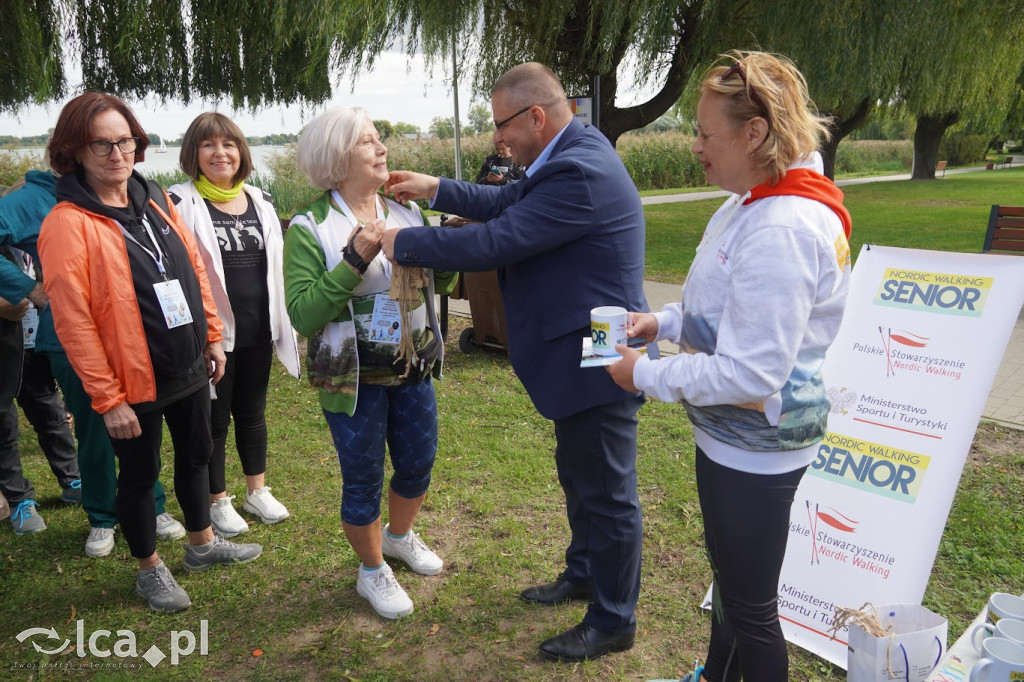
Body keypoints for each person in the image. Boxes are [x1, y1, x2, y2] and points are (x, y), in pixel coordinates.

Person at [382, 62, 652, 662]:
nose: (497, 138)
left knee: (607, 487)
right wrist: (436, 189)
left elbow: (497, 239)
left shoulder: (577, 168)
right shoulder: (565, 152)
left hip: (600, 345)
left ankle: (614, 619)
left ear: (536, 115)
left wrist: (401, 241)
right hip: (581, 338)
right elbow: (506, 201)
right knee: (579, 470)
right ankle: (584, 573)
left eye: (502, 124)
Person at [607, 51, 852, 682]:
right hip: (732, 439)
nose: (694, 146)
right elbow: (721, 307)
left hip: (757, 447)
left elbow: (751, 374)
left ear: (756, 133)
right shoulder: (752, 203)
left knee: (751, 608)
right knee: (732, 586)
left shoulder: (781, 227)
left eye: (706, 134)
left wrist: (647, 375)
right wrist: (661, 324)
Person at [39, 92, 262, 612]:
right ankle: (148, 569)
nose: (118, 154)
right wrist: (107, 397)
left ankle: (202, 545)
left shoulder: (155, 197)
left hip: (184, 360)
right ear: (74, 150)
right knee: (139, 476)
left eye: (127, 141)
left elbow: (195, 269)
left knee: (198, 454)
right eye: (102, 144)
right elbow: (72, 321)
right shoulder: (67, 223)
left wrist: (211, 334)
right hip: (129, 379)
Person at [283, 105, 458, 620]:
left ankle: (400, 537)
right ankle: (371, 571)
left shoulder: (405, 211)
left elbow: (440, 286)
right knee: (362, 478)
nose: (383, 148)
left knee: (418, 461)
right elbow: (305, 313)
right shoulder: (309, 227)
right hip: (352, 380)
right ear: (338, 157)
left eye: (379, 138)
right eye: (369, 142)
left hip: (412, 367)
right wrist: (353, 261)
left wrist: (446, 249)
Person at [0, 167, 186, 554]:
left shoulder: (122, 192)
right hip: (70, 337)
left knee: (144, 425)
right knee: (94, 429)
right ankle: (101, 517)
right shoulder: (31, 199)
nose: (106, 152)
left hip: (134, 333)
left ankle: (153, 505)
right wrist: (28, 287)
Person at [168, 113, 300, 538]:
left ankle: (256, 490)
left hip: (259, 327)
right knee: (214, 418)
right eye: (209, 145)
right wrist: (205, 334)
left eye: (229, 144)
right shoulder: (178, 203)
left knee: (253, 412)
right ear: (194, 153)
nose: (220, 153)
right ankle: (217, 499)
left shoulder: (260, 200)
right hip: (213, 334)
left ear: (241, 152)